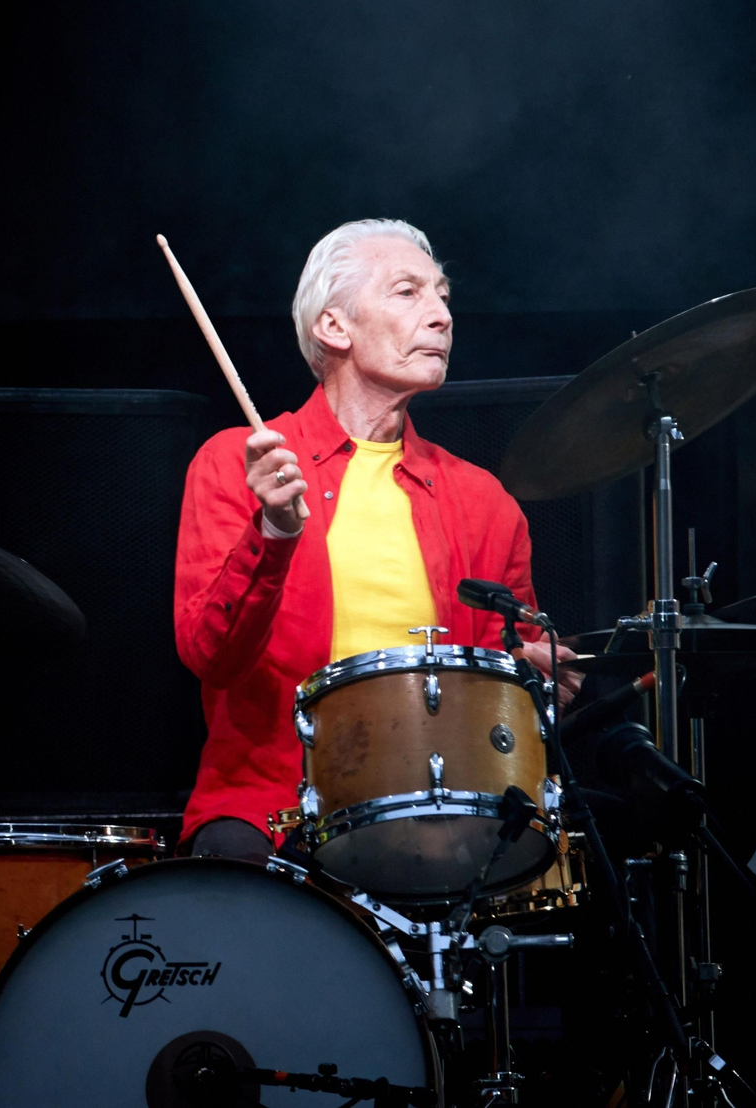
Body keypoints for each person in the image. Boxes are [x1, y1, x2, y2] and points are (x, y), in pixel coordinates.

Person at [173, 218, 581, 861]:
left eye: (443, 295)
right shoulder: (237, 464)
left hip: (436, 812)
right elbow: (211, 656)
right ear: (334, 327)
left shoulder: (484, 502)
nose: (442, 315)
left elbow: (502, 692)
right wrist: (273, 531)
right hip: (272, 807)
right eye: (408, 291)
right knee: (231, 879)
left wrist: (529, 674)